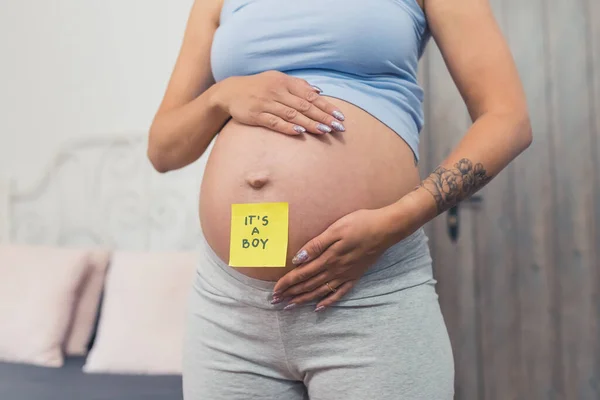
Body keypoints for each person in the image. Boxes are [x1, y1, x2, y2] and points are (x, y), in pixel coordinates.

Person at [148, 0, 532, 398]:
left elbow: (508, 119)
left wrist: (398, 220)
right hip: (231, 308)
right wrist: (222, 96)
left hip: (367, 296)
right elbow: (163, 149)